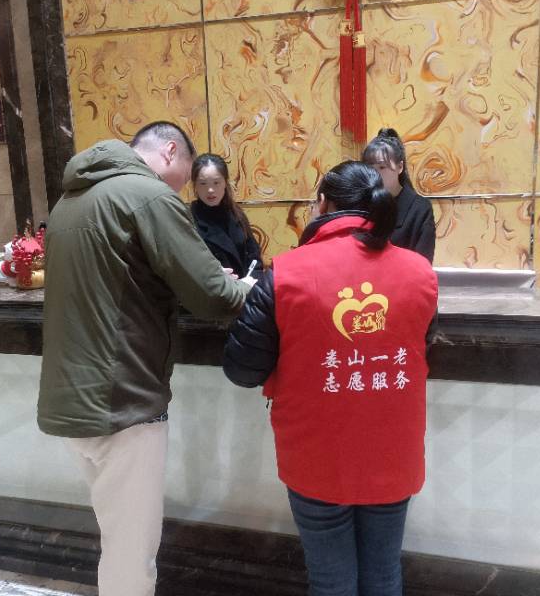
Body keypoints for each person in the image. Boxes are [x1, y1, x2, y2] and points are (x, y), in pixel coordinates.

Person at [38, 122, 253, 596]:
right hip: (124, 399)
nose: (184, 188)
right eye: (186, 175)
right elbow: (215, 297)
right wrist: (247, 288)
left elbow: (122, 279)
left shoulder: (72, 199)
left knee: (116, 537)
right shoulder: (148, 195)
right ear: (171, 151)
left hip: (72, 398)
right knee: (132, 553)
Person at [223, 162, 439, 596]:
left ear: (322, 204)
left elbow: (242, 369)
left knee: (330, 583)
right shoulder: (420, 273)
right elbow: (424, 341)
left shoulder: (285, 274)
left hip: (316, 456)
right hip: (391, 453)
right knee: (384, 576)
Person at [362, 127, 436, 262]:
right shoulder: (361, 203)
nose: (374, 174)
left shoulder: (419, 208)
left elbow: (423, 263)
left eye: (382, 167)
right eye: (369, 168)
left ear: (400, 167)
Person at [190, 153, 263, 278]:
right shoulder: (189, 219)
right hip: (215, 287)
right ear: (195, 185)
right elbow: (188, 264)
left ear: (225, 182)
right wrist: (214, 275)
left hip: (245, 286)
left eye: (216, 182)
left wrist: (250, 279)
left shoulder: (236, 213)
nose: (210, 190)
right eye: (203, 183)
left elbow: (254, 256)